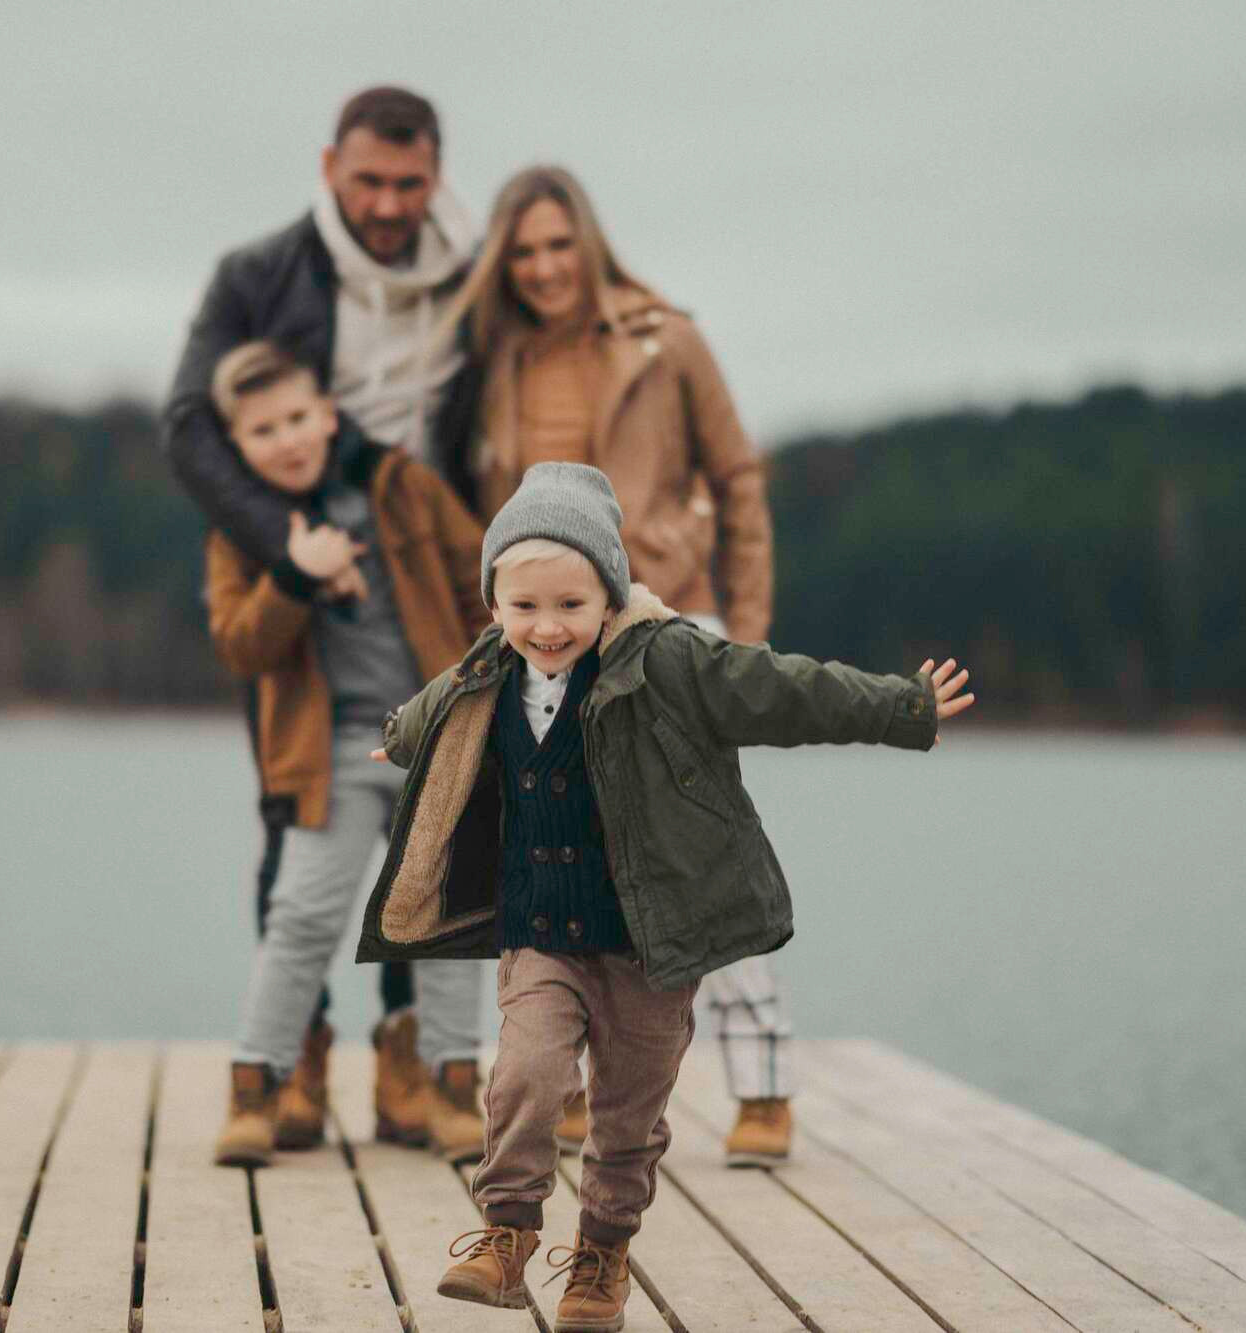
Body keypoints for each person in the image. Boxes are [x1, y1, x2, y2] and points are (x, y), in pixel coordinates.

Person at [356, 463, 973, 1327]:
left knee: (626, 1113)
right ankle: (507, 1232)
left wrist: (901, 707)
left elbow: (784, 690)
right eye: (523, 606)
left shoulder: (670, 660)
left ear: (610, 595)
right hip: (541, 931)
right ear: (494, 601)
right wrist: (400, 736)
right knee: (527, 1072)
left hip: (649, 941)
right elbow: (435, 708)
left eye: (570, 605)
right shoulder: (487, 670)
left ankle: (602, 1255)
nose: (546, 627)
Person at [436, 164, 794, 1164]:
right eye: (524, 252)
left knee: (687, 850)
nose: (545, 268)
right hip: (548, 631)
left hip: (663, 617)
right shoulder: (495, 361)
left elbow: (737, 477)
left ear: (587, 242)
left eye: (559, 245)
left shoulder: (664, 337)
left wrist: (745, 636)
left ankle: (762, 1085)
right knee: (564, 857)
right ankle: (583, 1084)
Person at [162, 85, 485, 1144]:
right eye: (366, 181)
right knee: (294, 843)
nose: (387, 202)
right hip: (304, 586)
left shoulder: (471, 272)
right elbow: (190, 426)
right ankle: (287, 1061)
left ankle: (418, 1068)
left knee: (438, 884)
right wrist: (287, 547)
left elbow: (571, 317)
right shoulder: (258, 276)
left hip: (426, 565)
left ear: (434, 175)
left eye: (407, 182)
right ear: (328, 167)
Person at [203, 341, 493, 1167]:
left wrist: (484, 690)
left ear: (328, 415)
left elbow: (486, 582)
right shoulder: (245, 533)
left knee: (446, 916)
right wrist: (295, 575)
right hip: (331, 754)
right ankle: (256, 1084)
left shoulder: (401, 487)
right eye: (264, 430)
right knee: (301, 914)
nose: (288, 439)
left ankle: (450, 1084)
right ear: (238, 446)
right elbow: (239, 647)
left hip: (435, 737)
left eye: (299, 418)